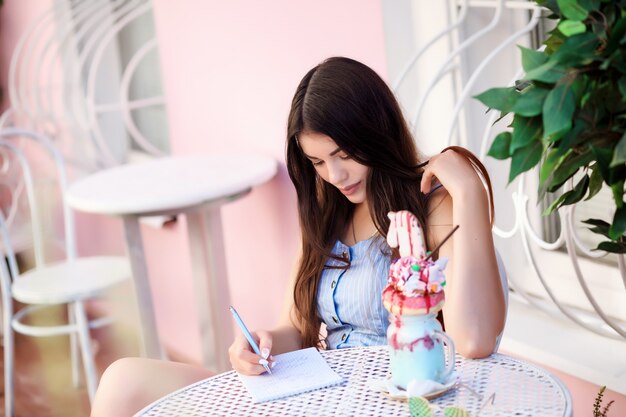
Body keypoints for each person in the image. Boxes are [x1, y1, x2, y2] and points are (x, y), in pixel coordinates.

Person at [90, 56, 505, 416]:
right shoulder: (328, 211)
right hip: (317, 396)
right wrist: (262, 345)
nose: (334, 175)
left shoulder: (430, 207)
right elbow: (296, 324)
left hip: (390, 400)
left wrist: (468, 191)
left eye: (344, 155)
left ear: (376, 134)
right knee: (123, 380)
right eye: (318, 161)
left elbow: (474, 340)